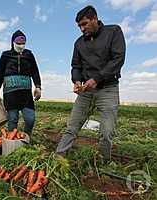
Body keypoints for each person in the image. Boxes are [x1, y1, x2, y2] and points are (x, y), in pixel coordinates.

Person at [56, 5, 126, 161]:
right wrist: (76, 81)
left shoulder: (113, 32)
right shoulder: (79, 43)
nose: (82, 29)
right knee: (71, 127)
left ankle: (103, 163)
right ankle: (58, 158)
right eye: (79, 26)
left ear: (95, 19)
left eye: (85, 24)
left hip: (108, 89)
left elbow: (118, 59)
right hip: (86, 92)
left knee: (106, 132)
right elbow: (76, 66)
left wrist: (97, 79)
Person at [0, 30, 41, 136]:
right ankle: (12, 142)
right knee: (12, 119)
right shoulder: (6, 55)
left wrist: (38, 87)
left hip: (26, 94)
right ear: (12, 42)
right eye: (18, 43)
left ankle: (26, 137)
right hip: (10, 94)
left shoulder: (29, 54)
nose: (21, 45)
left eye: (23, 43)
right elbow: (0, 72)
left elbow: (35, 71)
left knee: (30, 119)